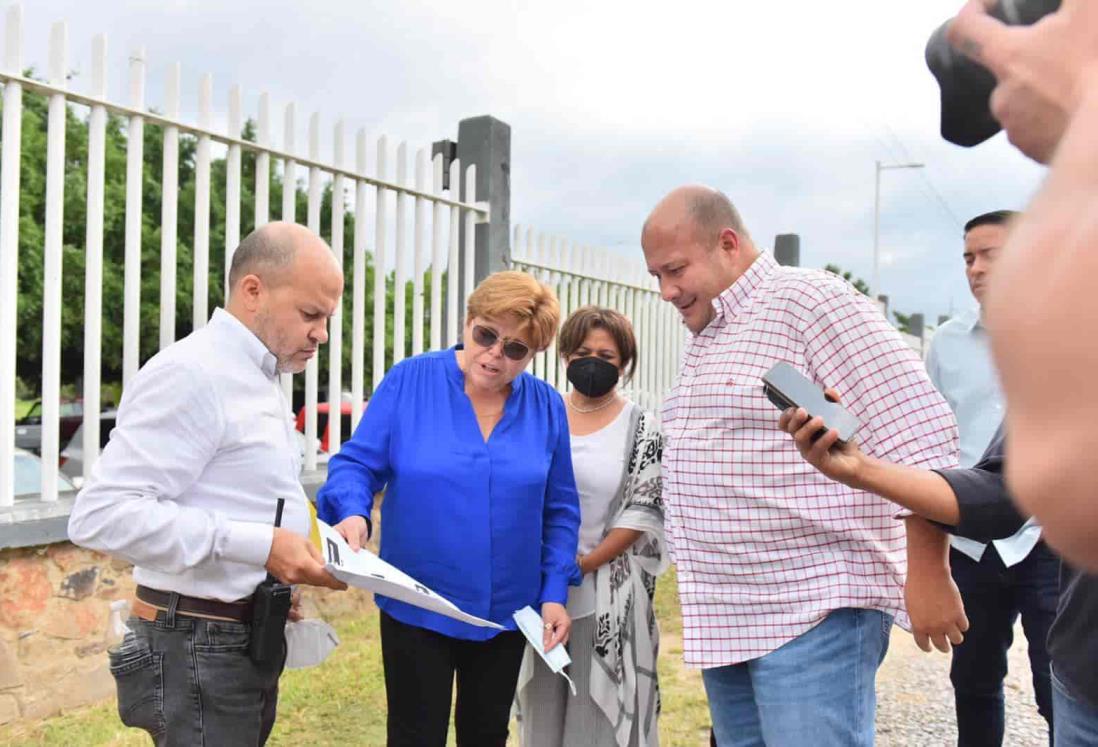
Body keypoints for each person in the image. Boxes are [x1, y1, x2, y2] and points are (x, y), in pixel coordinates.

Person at [640, 185, 960, 746]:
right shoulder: (709, 334)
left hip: (812, 609)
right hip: (730, 612)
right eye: (656, 278)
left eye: (675, 270)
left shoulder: (810, 301)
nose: (667, 291)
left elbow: (919, 432)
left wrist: (929, 568)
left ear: (728, 244)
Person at [67, 222, 348, 746]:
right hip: (195, 643)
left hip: (232, 636)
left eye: (328, 318)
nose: (322, 334)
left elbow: (233, 498)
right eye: (311, 314)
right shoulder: (196, 373)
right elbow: (101, 514)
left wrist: (264, 580)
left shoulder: (257, 375)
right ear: (253, 291)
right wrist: (260, 546)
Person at [316, 270, 580, 747]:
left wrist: (555, 590)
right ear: (468, 322)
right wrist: (354, 512)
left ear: (533, 355)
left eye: (515, 349)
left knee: (486, 734)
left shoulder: (547, 408)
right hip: (418, 604)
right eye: (486, 335)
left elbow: (559, 508)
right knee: (415, 735)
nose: (495, 354)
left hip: (505, 611)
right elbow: (356, 463)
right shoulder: (408, 381)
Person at [946, 0, 1098, 572]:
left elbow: (1070, 487)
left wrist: (1083, 111)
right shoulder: (948, 341)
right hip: (974, 528)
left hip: (1043, 539)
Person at [925, 209, 1057, 745]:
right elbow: (928, 442)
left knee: (1063, 684)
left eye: (990, 255)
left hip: (1050, 539)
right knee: (974, 682)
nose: (975, 269)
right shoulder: (947, 344)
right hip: (970, 543)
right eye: (968, 258)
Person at [516, 306, 668, 747]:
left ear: (624, 363)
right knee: (540, 722)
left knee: (595, 725)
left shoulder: (642, 429)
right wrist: (550, 575)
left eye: (607, 354)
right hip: (538, 597)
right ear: (564, 355)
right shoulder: (540, 414)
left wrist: (582, 565)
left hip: (606, 598)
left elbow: (643, 511)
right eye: (583, 351)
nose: (594, 362)